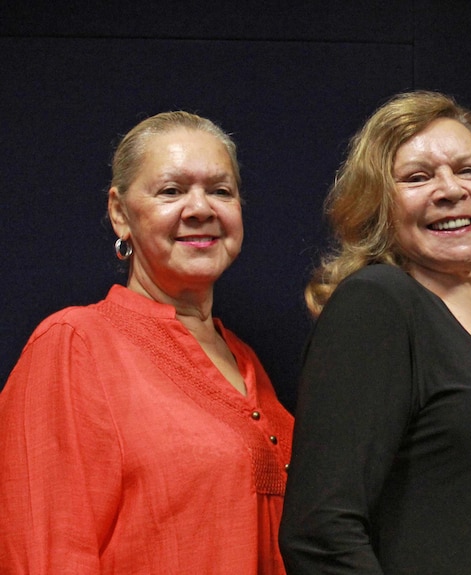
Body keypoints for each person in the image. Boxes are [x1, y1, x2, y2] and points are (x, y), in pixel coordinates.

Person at [279, 91, 471, 574]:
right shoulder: (377, 305)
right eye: (418, 177)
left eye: (467, 170)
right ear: (378, 206)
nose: (450, 190)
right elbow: (320, 533)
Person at [0, 111, 295, 574]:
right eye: (171, 191)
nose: (201, 209)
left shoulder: (246, 361)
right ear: (120, 212)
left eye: (221, 191)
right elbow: (45, 551)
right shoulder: (74, 345)